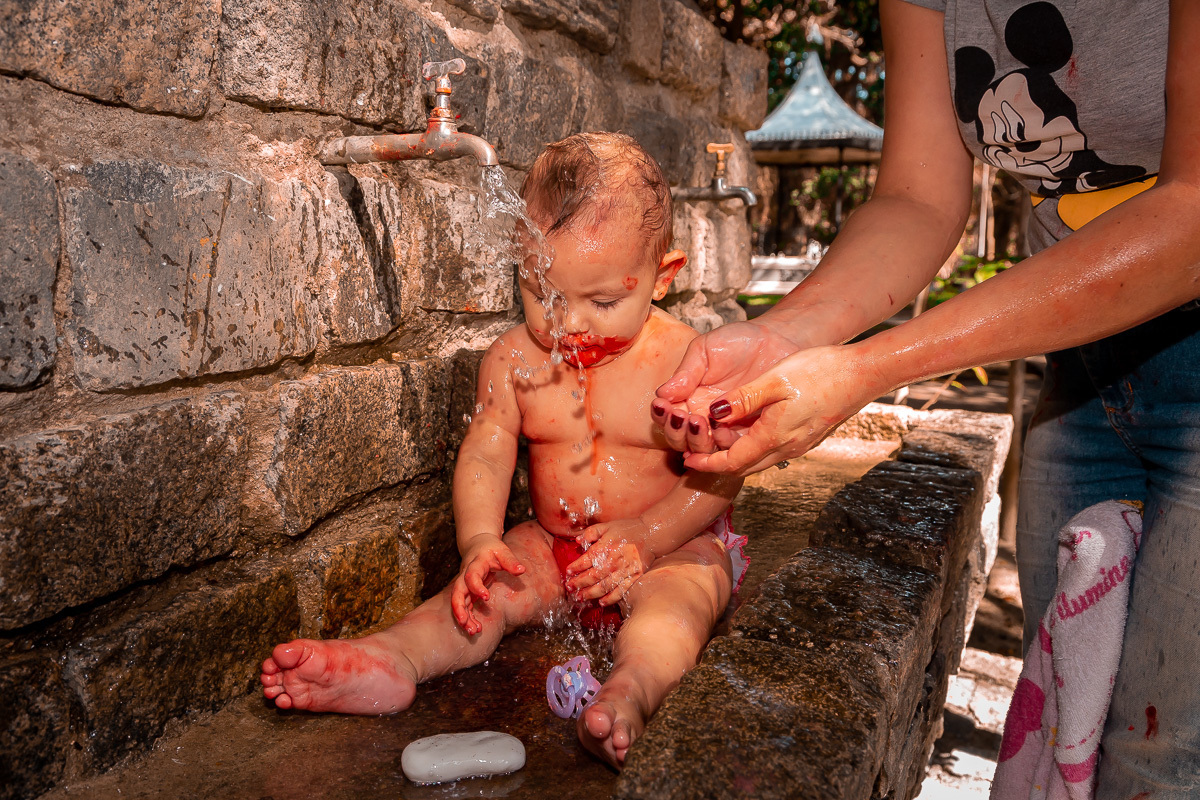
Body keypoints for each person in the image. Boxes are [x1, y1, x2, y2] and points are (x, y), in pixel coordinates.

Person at [653, 0, 1199, 794]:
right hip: (1083, 366)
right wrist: (787, 336)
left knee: (1163, 761)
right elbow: (917, 196)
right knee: (1065, 728)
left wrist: (867, 369)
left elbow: (1189, 216)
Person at [259, 132, 744, 769]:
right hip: (553, 546)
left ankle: (631, 692)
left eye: (602, 301)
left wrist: (649, 536)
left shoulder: (685, 362)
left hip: (670, 541)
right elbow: (487, 454)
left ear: (662, 278)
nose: (568, 325)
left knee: (676, 606)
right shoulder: (514, 360)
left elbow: (722, 476)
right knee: (482, 595)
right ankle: (393, 656)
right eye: (544, 292)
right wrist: (478, 542)